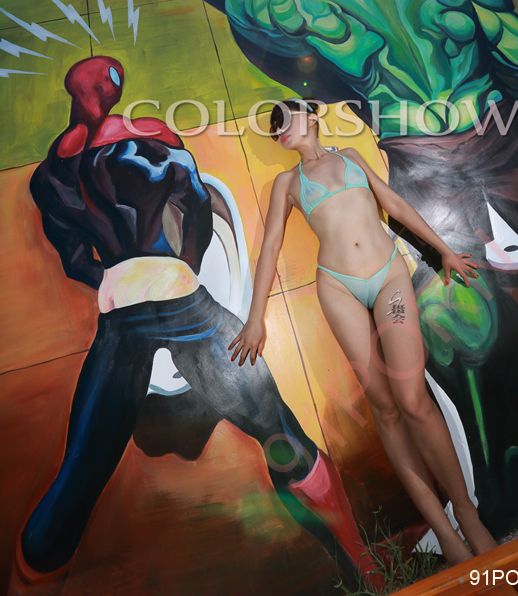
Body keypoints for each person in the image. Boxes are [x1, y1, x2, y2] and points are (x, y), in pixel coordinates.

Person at [13, 58, 383, 591]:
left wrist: (118, 278)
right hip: (181, 299)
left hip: (125, 311)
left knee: (79, 476)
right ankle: (365, 568)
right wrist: (179, 268)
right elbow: (198, 213)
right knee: (280, 433)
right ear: (113, 90)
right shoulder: (156, 147)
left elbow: (75, 261)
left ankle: (365, 567)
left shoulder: (52, 178)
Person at [229, 98, 498, 564]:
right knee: (386, 408)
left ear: (311, 116)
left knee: (412, 400)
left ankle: (467, 514)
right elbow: (270, 247)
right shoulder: (287, 183)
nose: (279, 129)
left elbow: (393, 203)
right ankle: (445, 533)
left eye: (284, 117)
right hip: (339, 288)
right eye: (273, 127)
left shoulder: (351, 157)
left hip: (389, 277)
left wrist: (442, 250)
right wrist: (256, 319)